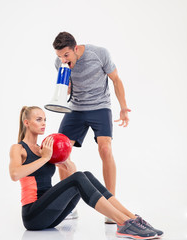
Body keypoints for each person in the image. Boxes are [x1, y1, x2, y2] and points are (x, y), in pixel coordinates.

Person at [9, 106, 163, 239]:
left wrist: (67, 163)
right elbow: (15, 174)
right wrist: (45, 158)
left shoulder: (43, 148)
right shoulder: (19, 148)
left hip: (50, 213)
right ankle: (123, 222)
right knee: (78, 178)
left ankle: (132, 218)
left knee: (85, 174)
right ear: (26, 123)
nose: (43, 123)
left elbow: (76, 176)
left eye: (45, 120)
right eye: (39, 120)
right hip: (33, 216)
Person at [53, 32, 130, 223]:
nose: (63, 59)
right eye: (59, 56)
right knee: (61, 152)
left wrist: (123, 108)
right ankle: (68, 206)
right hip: (76, 109)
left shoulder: (99, 54)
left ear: (76, 49)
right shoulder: (60, 64)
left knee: (105, 149)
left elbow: (116, 79)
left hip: (100, 107)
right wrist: (65, 85)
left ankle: (111, 207)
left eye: (66, 55)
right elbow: (67, 91)